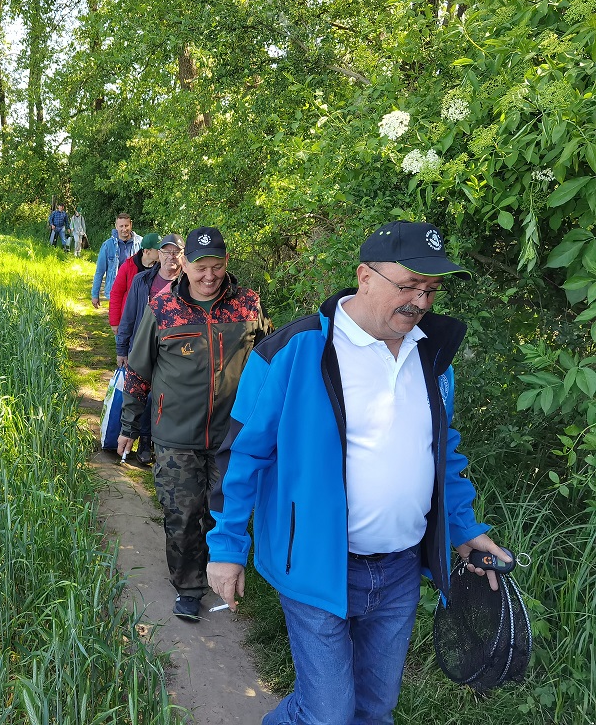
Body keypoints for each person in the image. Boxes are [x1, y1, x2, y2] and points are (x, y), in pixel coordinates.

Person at [206, 220, 509, 725]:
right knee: (327, 714)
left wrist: (464, 529)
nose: (421, 302)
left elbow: (443, 454)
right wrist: (227, 548)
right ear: (364, 276)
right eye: (407, 285)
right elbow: (241, 454)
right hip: (316, 563)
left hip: (400, 570)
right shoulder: (295, 349)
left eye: (430, 289)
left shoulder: (431, 356)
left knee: (374, 708)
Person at [116, 227, 272, 621]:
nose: (209, 275)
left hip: (232, 436)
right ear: (184, 265)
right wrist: (129, 427)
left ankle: (223, 574)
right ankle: (188, 586)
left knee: (222, 511)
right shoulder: (161, 307)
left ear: (226, 264)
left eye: (217, 266)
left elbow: (272, 361)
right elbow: (138, 372)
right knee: (183, 514)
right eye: (200, 266)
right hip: (175, 435)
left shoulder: (248, 305)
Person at [115, 233, 185, 466]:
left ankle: (159, 442)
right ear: (159, 255)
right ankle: (144, 441)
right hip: (142, 348)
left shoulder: (188, 285)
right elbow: (129, 317)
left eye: (176, 253)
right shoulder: (142, 281)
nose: (171, 257)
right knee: (142, 395)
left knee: (163, 397)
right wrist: (122, 349)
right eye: (166, 252)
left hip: (173, 353)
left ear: (183, 257)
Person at [109, 233, 161, 333]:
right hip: (131, 318)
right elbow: (116, 293)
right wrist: (115, 322)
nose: (161, 252)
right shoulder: (128, 267)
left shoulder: (162, 267)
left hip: (153, 320)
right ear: (147, 251)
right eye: (158, 250)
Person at [91, 213, 142, 308]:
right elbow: (99, 272)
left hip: (135, 291)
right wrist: (95, 294)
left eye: (126, 225)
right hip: (116, 290)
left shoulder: (141, 243)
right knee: (117, 321)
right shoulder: (107, 245)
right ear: (116, 226)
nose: (124, 229)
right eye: (121, 226)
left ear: (131, 224)